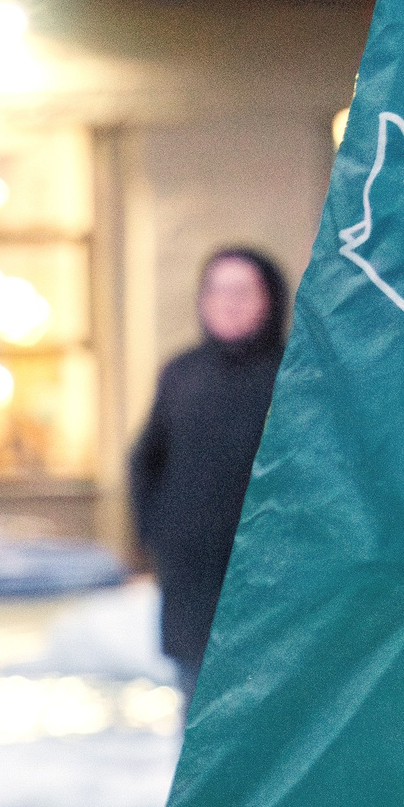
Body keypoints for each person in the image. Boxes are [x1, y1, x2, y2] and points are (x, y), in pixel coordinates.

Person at [130, 248, 289, 696]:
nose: (228, 301)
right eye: (217, 290)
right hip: (192, 587)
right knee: (199, 712)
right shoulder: (181, 374)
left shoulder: (295, 378)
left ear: (270, 298)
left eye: (242, 290)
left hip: (268, 586)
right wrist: (154, 537)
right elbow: (146, 462)